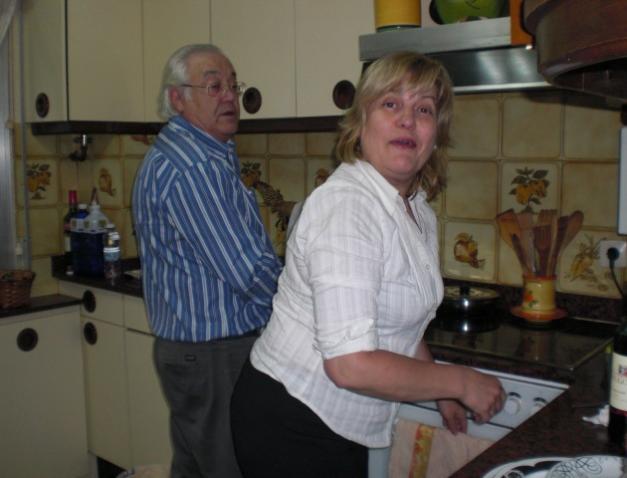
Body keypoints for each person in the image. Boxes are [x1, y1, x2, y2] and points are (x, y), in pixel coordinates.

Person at [230, 51, 506, 477]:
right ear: (360, 124)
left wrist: (438, 387)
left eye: (424, 109)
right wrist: (460, 381)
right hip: (291, 419)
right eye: (390, 103)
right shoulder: (347, 207)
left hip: (335, 425)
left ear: (436, 134)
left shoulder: (414, 209)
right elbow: (350, 364)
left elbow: (397, 327)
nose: (407, 120)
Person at [132, 44, 282, 478]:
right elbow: (248, 271)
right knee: (231, 466)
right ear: (177, 99)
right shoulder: (195, 168)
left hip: (198, 353)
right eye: (214, 86)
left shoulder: (193, 155)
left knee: (196, 467)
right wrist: (303, 306)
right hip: (216, 355)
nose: (230, 96)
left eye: (233, 85)